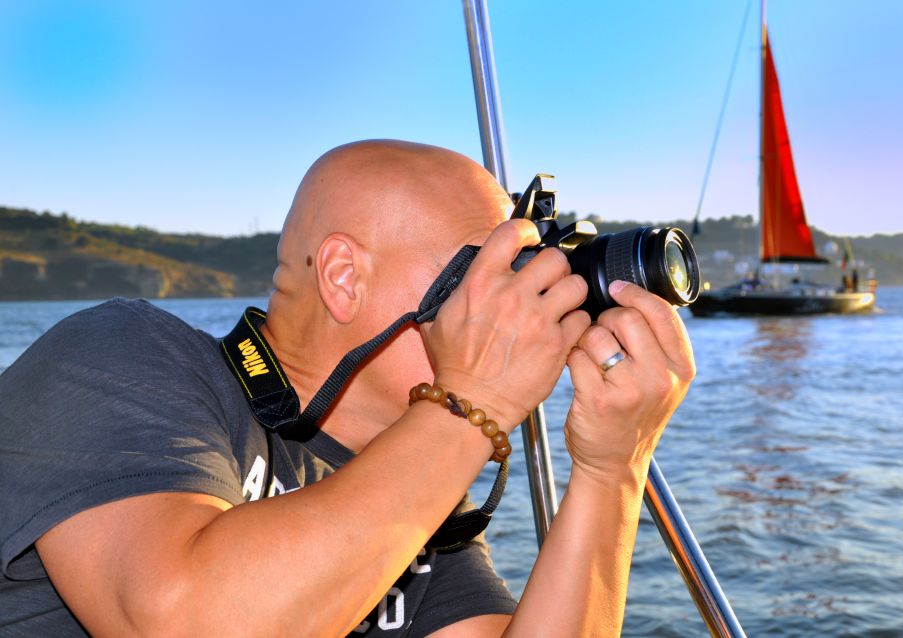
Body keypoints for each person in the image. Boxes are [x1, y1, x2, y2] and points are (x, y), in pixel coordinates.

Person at [0, 140, 695, 637]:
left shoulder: (410, 487)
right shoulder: (123, 355)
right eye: (488, 268)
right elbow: (182, 620)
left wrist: (613, 469)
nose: (511, 299)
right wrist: (471, 405)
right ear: (343, 277)